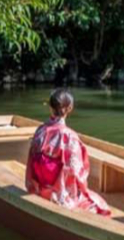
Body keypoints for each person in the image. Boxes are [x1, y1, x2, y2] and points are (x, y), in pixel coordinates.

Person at [24, 88, 111, 216]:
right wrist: (83, 189)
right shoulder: (70, 137)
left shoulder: (40, 131)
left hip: (40, 188)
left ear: (50, 107)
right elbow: (78, 173)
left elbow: (31, 163)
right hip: (61, 194)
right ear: (70, 108)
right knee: (100, 205)